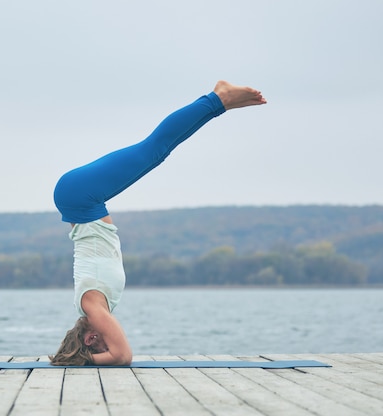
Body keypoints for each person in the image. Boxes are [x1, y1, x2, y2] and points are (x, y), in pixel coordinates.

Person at [49, 80, 267, 366]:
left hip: (79, 197)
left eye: (101, 344)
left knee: (152, 150)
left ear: (90, 338)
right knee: (156, 153)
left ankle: (218, 98)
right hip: (80, 200)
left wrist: (85, 360)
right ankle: (218, 104)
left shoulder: (93, 308)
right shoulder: (99, 305)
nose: (110, 342)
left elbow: (122, 356)